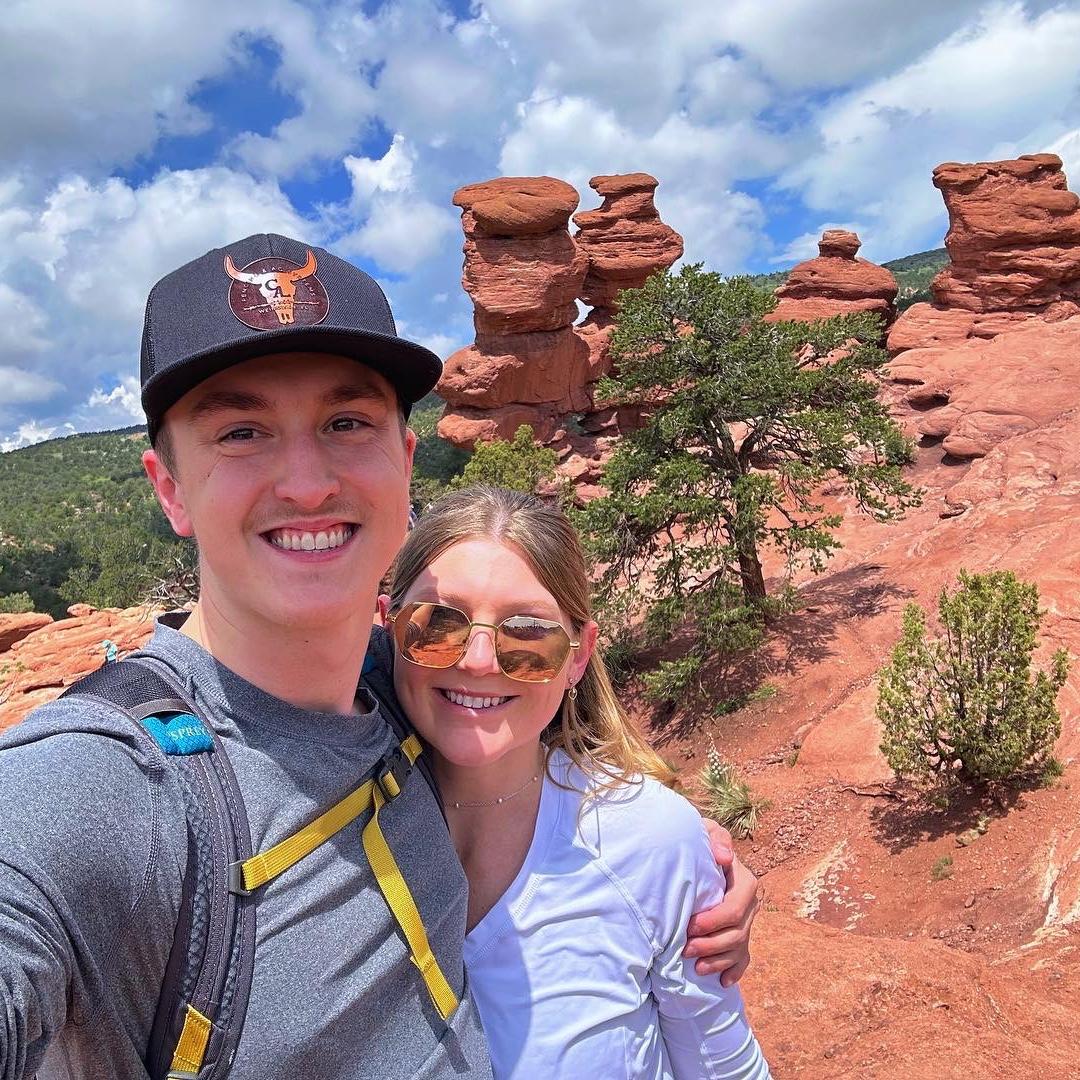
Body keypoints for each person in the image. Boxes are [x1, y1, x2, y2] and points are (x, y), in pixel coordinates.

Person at [0, 233, 760, 1079]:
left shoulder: (404, 685)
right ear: (169, 488)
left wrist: (673, 855)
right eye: (242, 431)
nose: (307, 483)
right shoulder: (110, 783)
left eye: (347, 422)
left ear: (405, 460)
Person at [379, 485, 770, 1078]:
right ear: (389, 627)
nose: (478, 660)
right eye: (438, 623)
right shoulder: (332, 825)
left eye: (527, 633)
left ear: (578, 656)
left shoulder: (645, 841)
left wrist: (689, 856)